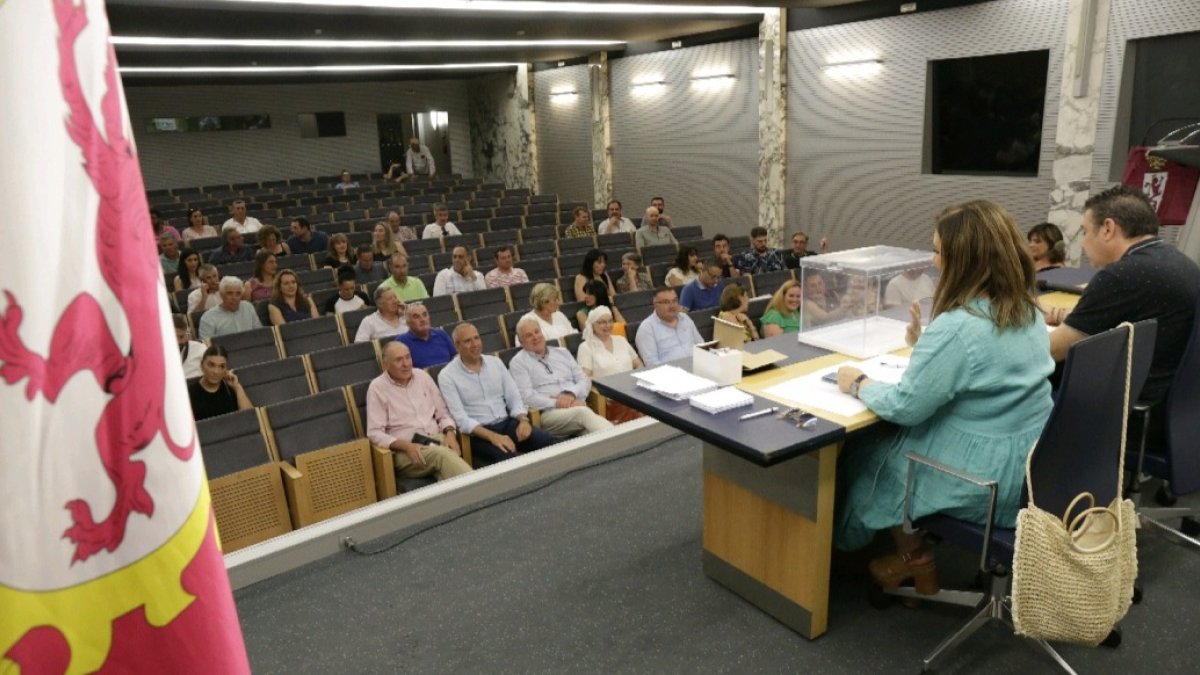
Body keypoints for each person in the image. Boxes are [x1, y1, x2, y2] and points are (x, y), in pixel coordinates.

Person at [832, 199, 1054, 597]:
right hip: (1035, 467)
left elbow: (905, 406)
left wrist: (858, 381)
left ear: (964, 261)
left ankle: (911, 560)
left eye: (938, 252)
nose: (934, 262)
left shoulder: (956, 327)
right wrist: (924, 347)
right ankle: (913, 558)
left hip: (989, 483)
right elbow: (986, 372)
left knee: (868, 452)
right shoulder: (1027, 309)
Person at [1047, 186, 1200, 409]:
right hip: (1173, 403)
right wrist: (1079, 320)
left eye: (1085, 232)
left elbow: (1053, 351)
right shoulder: (1179, 261)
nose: (1082, 242)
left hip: (1128, 407)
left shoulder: (1122, 275)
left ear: (1107, 229)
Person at [438, 322, 555, 466]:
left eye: (476, 338)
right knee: (507, 456)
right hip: (479, 433)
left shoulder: (496, 363)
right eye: (468, 341)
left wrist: (523, 420)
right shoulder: (447, 375)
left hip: (507, 423)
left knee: (546, 440)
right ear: (457, 346)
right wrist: (493, 437)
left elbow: (514, 397)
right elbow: (461, 420)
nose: (475, 344)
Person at [366, 342, 472, 482]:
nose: (406, 364)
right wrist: (406, 446)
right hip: (405, 451)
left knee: (446, 468)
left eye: (408, 357)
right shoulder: (377, 388)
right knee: (442, 455)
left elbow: (443, 413)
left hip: (436, 439)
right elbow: (374, 433)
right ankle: (483, 488)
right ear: (385, 365)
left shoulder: (422, 376)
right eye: (399, 360)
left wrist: (451, 433)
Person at [509, 319, 614, 441]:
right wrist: (559, 403)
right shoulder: (518, 363)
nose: (535, 337)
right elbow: (527, 397)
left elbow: (584, 380)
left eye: (537, 332)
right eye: (529, 335)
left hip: (576, 405)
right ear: (521, 342)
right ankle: (621, 440)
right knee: (583, 414)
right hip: (549, 413)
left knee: (591, 433)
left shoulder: (562, 353)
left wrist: (571, 394)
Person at [576, 306, 644, 423]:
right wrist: (610, 383)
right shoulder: (586, 347)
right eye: (602, 322)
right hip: (609, 394)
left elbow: (639, 364)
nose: (607, 325)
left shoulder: (621, 340)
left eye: (609, 321)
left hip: (632, 387)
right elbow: (584, 377)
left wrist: (633, 379)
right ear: (592, 324)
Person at [635, 287, 703, 366]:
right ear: (655, 305)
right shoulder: (646, 329)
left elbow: (701, 344)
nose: (672, 306)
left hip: (698, 366)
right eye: (666, 302)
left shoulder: (685, 318)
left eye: (674, 301)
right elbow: (652, 364)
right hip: (672, 374)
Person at [188, 345, 252, 421]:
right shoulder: (189, 393)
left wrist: (237, 387)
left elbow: (250, 419)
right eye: (211, 365)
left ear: (226, 369)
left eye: (222, 366)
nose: (216, 371)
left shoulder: (230, 388)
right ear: (201, 365)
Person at [198, 276, 262, 339]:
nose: (234, 297)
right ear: (221, 295)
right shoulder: (208, 317)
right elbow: (206, 346)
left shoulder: (248, 307)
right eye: (229, 293)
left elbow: (260, 334)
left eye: (238, 294)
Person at [396, 303, 457, 368]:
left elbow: (455, 356)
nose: (422, 319)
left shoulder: (441, 334)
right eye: (416, 317)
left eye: (425, 315)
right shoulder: (401, 342)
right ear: (408, 323)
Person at [174, 314, 206, 379]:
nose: (178, 342)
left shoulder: (199, 348)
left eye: (181, 337)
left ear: (186, 334)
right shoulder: (155, 356)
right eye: (173, 338)